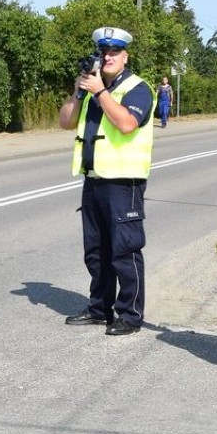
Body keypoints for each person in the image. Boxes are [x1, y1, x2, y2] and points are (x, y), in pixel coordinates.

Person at [58, 26, 156, 336]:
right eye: (103, 52)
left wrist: (100, 92)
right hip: (94, 179)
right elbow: (65, 121)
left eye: (114, 52)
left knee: (124, 251)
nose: (108, 57)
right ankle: (100, 308)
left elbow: (127, 123)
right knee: (96, 251)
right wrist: (80, 89)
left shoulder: (139, 88)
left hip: (123, 182)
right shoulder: (91, 89)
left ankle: (129, 314)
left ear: (125, 56)